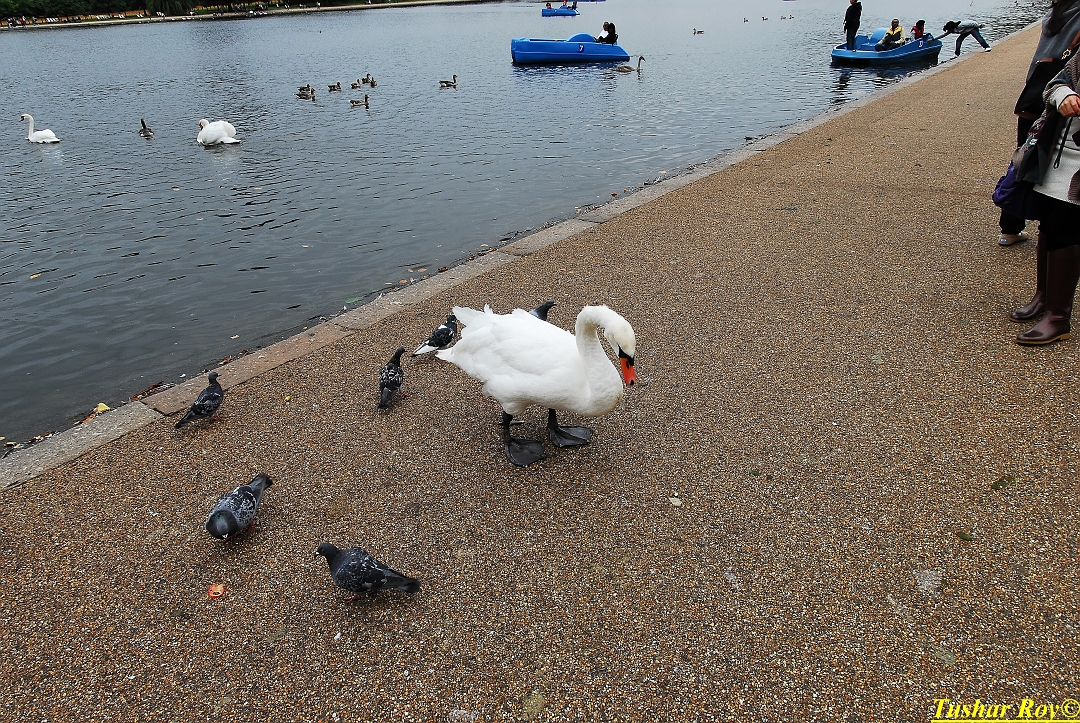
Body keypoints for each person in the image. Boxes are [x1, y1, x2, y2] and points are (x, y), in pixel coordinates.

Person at [1014, 54, 1080, 345]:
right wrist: (1064, 94)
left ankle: (1059, 316)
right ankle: (1044, 297)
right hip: (1057, 153)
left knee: (1068, 230)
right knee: (1049, 224)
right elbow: (1054, 84)